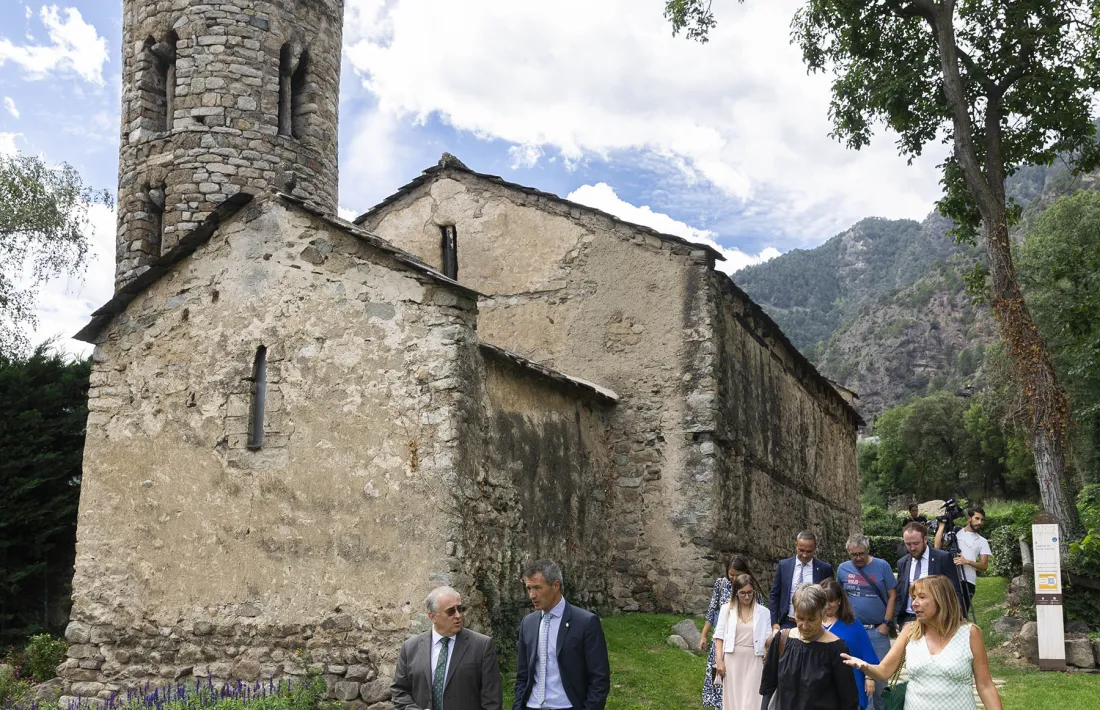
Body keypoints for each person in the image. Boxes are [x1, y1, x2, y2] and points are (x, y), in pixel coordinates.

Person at [841, 575, 1003, 710]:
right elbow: (884, 671)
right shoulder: (909, 631)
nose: (914, 603)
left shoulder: (970, 633)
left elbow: (985, 686)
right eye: (913, 598)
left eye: (922, 597)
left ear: (942, 600)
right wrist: (865, 666)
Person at [513, 559, 610, 710]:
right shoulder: (528, 623)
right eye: (529, 588)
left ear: (555, 586)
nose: (532, 595)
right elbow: (522, 675)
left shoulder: (586, 623)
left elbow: (599, 679)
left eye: (537, 588)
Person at [391, 586, 503, 710]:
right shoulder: (410, 648)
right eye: (450, 611)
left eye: (460, 609)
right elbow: (399, 692)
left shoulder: (482, 646)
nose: (458, 615)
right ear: (432, 617)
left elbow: (492, 700)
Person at [760, 584, 859, 710]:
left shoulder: (836, 649)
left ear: (823, 614)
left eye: (811, 620)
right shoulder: (782, 640)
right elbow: (768, 687)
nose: (805, 626)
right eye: (800, 618)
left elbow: (848, 700)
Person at [836, 534, 895, 710]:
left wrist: (886, 623)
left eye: (861, 554)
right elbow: (838, 596)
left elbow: (893, 595)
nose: (858, 558)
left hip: (877, 630)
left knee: (879, 682)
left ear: (868, 550)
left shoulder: (882, 566)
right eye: (854, 555)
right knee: (855, 679)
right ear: (848, 552)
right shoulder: (843, 569)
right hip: (852, 630)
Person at [701, 555, 765, 709]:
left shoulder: (753, 592)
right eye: (731, 574)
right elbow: (711, 611)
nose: (734, 578)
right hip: (720, 644)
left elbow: (761, 624)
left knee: (741, 690)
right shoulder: (721, 584)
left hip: (743, 649)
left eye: (737, 575)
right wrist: (703, 635)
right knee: (719, 685)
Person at [713, 574, 771, 710]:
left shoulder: (764, 612)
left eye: (750, 592)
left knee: (752, 699)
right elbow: (719, 636)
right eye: (742, 593)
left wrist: (773, 637)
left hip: (754, 659)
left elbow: (768, 639)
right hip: (732, 659)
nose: (746, 596)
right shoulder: (726, 610)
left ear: (754, 592)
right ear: (736, 593)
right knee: (733, 700)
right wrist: (719, 660)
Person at [819, 579, 878, 709]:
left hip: (850, 684)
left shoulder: (853, 624)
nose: (827, 605)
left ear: (840, 600)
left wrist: (869, 678)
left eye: (831, 600)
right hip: (820, 686)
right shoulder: (814, 624)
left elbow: (867, 652)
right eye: (824, 600)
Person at [896, 523, 963, 626]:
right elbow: (900, 593)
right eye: (908, 544)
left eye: (916, 543)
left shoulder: (942, 558)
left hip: (936, 619)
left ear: (925, 539)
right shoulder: (902, 563)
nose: (912, 548)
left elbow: (954, 591)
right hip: (908, 620)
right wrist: (897, 619)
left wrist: (951, 619)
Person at [934, 506, 991, 618]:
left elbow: (984, 566)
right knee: (944, 613)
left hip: (968, 582)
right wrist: (942, 525)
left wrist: (967, 562)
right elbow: (937, 547)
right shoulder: (955, 532)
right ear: (969, 518)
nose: (980, 522)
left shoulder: (982, 541)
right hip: (950, 578)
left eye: (982, 520)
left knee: (961, 615)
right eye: (977, 518)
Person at [770, 531, 835, 630]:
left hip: (813, 624)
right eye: (801, 550)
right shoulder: (784, 566)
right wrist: (774, 622)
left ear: (815, 548)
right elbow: (775, 594)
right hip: (788, 622)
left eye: (809, 551)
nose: (804, 555)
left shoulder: (824, 569)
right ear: (796, 545)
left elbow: (830, 597)